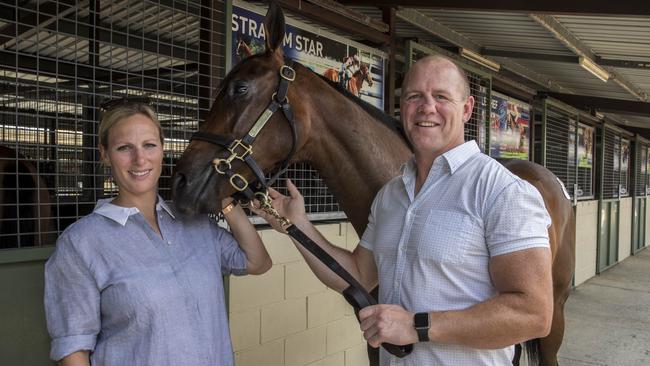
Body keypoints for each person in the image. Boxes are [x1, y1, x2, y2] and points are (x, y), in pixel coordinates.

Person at [254, 55, 553, 365]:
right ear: (402, 109)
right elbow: (356, 275)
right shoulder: (390, 195)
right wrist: (296, 224)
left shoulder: (502, 192)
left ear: (467, 109)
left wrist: (416, 326)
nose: (427, 107)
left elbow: (532, 314)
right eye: (414, 97)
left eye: (441, 96)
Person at [44, 101, 272, 366]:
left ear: (162, 149)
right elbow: (73, 348)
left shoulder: (193, 222)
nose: (140, 159)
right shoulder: (81, 243)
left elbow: (258, 261)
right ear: (104, 154)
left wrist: (224, 199)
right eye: (124, 148)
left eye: (149, 145)